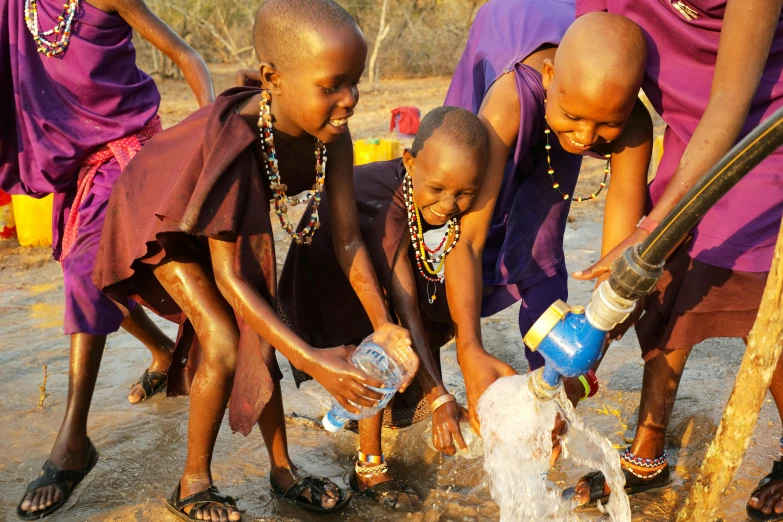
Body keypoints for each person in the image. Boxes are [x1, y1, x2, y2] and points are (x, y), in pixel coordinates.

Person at [92, 0, 417, 519]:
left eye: (354, 82)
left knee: (257, 329)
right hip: (161, 218)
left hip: (224, 220)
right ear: (274, 79)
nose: (349, 99)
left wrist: (383, 326)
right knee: (225, 338)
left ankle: (282, 470)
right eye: (332, 85)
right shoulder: (239, 140)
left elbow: (349, 241)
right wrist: (312, 359)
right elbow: (232, 278)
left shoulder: (331, 134)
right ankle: (193, 482)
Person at [1, 0, 215, 517]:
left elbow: (187, 56)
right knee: (102, 273)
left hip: (128, 150)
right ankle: (164, 352)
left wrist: (215, 134)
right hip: (78, 162)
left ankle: (73, 442)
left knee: (86, 273)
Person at [569, 1, 783, 517]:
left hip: (763, 124)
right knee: (671, 277)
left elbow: (731, 100)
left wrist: (649, 229)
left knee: (758, 284)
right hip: (690, 131)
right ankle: (648, 448)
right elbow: (601, 71)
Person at [441, 0, 652, 437]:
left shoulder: (628, 125)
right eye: (573, 118)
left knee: (541, 241)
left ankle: (546, 387)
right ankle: (424, 386)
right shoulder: (510, 98)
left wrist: (574, 374)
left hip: (570, 83)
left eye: (605, 125)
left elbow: (615, 276)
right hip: (505, 31)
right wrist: (468, 351)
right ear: (552, 78)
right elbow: (468, 240)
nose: (585, 138)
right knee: (456, 209)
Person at [278, 106, 488, 510]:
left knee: (421, 319)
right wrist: (442, 397)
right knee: (379, 344)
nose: (448, 204)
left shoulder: (423, 187)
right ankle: (368, 465)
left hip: (374, 263)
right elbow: (402, 310)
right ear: (409, 162)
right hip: (329, 266)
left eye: (463, 194)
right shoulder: (385, 209)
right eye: (439, 189)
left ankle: (378, 414)